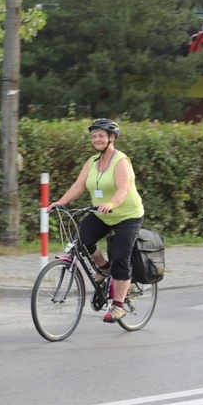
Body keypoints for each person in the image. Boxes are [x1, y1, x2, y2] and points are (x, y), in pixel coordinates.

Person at [47, 118, 144, 322]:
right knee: (79, 239)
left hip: (127, 215)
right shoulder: (92, 162)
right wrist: (59, 202)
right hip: (101, 214)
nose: (96, 139)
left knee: (120, 255)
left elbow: (123, 189)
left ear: (112, 137)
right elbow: (78, 186)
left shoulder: (121, 161)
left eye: (101, 135)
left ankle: (118, 305)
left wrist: (111, 203)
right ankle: (104, 269)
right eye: (94, 136)